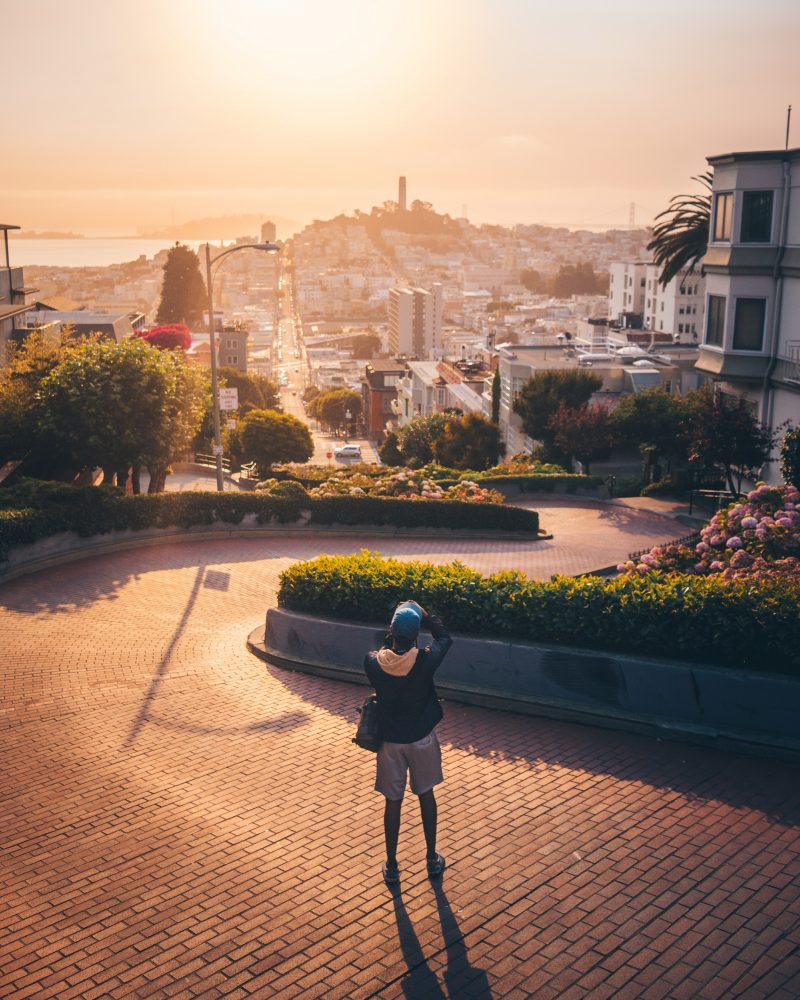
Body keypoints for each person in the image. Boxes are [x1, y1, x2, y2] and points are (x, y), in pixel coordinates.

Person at [364, 600, 453, 885]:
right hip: (421, 739)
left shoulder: (373, 663)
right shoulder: (425, 661)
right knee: (426, 795)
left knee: (393, 801)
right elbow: (445, 638)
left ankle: (391, 864)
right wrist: (424, 614)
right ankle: (431, 859)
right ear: (416, 633)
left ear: (391, 630)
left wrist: (396, 624)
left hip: (390, 742)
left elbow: (383, 648)